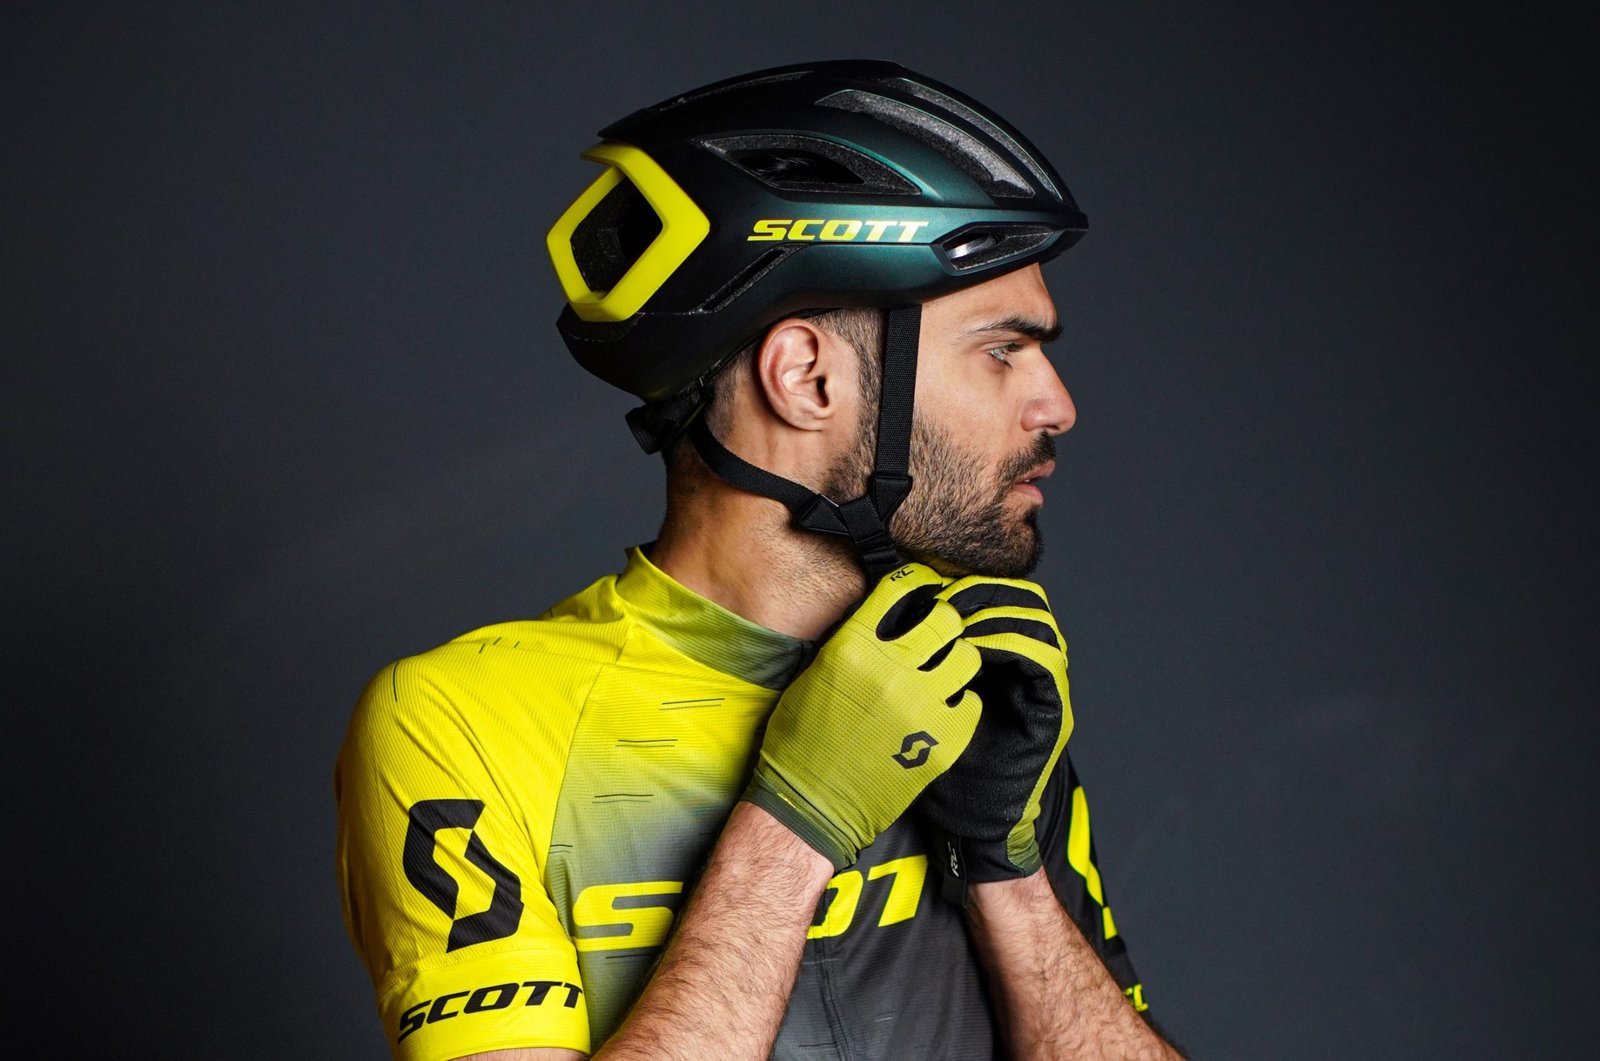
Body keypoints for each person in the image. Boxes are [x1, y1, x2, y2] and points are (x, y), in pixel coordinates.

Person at [336, 60, 1180, 1061]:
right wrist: (795, 820)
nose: (1058, 404)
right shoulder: (462, 720)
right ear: (806, 378)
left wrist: (1010, 865)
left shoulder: (971, 681)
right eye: (1002, 349)